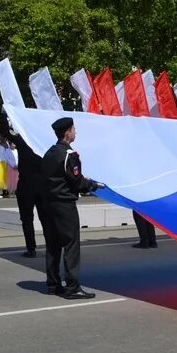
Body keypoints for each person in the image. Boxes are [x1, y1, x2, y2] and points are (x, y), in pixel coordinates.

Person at [39, 117, 103, 299]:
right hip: (64, 205)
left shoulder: (50, 153)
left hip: (48, 204)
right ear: (67, 132)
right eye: (74, 129)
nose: (75, 132)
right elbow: (76, 181)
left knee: (52, 245)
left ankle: (53, 284)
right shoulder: (69, 155)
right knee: (71, 244)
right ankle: (73, 287)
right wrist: (92, 185)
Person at [0, 112, 45, 259]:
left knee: (28, 219)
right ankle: (49, 247)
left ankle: (31, 249)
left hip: (28, 184)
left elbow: (4, 131)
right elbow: (5, 132)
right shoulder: (41, 141)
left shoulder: (24, 140)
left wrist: (3, 115)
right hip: (40, 184)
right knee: (43, 218)